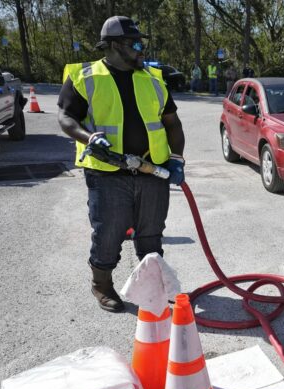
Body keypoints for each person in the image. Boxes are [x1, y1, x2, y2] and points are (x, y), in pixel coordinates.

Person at [57, 16, 186, 312]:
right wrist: (88, 137)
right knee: (109, 232)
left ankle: (152, 287)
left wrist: (176, 160)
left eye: (142, 43)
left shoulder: (153, 78)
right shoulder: (86, 77)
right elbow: (66, 118)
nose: (142, 49)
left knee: (151, 232)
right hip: (107, 173)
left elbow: (172, 122)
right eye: (135, 43)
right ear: (114, 45)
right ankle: (102, 285)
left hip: (153, 170)